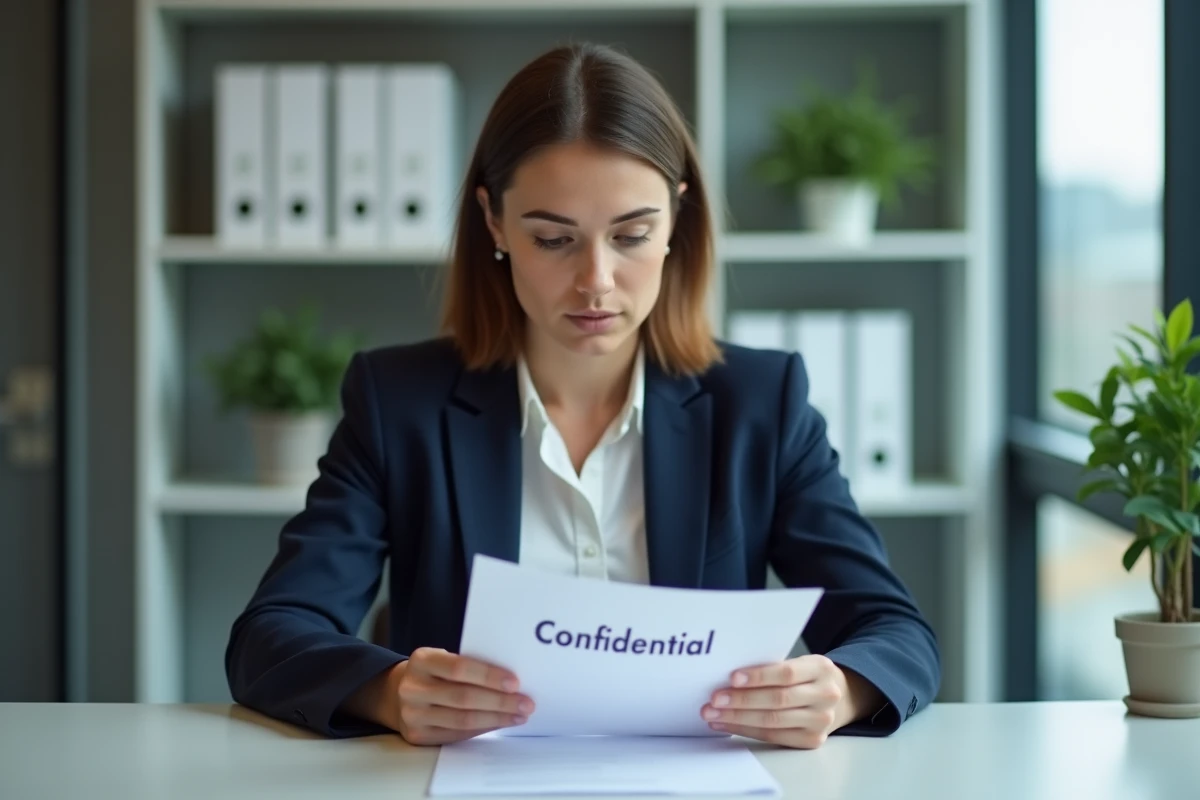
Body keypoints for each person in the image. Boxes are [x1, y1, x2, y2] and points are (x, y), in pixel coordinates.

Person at [225, 42, 940, 751]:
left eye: (632, 234)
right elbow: (271, 635)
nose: (596, 280)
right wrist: (388, 692)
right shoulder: (398, 403)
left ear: (677, 221)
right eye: (553, 239)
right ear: (495, 223)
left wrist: (841, 689)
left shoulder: (761, 403)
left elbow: (896, 632)